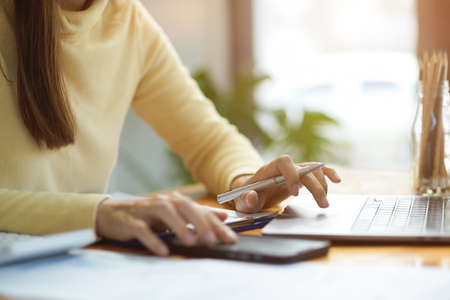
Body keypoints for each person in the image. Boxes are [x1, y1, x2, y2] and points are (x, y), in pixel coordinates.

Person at [0, 0, 341, 256]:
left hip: (73, 267)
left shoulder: (125, 18)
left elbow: (208, 140)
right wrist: (98, 213)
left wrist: (248, 185)